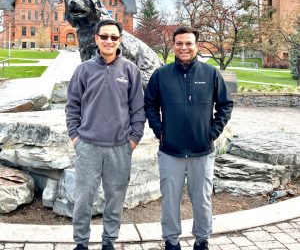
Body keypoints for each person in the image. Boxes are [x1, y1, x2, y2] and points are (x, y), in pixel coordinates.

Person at [144, 26, 233, 250]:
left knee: (202, 199)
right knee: (170, 200)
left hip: (201, 151)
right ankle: (171, 241)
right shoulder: (161, 75)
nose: (184, 47)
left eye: (188, 43)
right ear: (173, 45)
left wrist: (211, 133)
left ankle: (202, 240)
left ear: (196, 45)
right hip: (170, 151)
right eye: (179, 43)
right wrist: (160, 131)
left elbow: (225, 105)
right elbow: (149, 105)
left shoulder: (211, 73)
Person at [66, 19, 146, 250]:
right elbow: (72, 106)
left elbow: (138, 109)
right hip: (88, 146)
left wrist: (134, 139)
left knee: (115, 199)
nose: (109, 41)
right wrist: (75, 136)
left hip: (120, 147)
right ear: (96, 39)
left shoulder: (130, 70)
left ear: (119, 40)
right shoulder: (84, 70)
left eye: (114, 37)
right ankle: (81, 243)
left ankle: (109, 241)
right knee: (83, 199)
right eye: (104, 36)